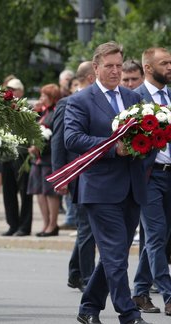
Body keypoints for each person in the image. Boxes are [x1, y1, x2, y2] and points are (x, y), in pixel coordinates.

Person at [64, 41, 149, 324]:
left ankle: (88, 307)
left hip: (133, 187)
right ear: (96, 68)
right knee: (115, 255)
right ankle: (129, 313)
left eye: (119, 66)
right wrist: (114, 147)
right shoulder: (80, 100)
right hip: (100, 190)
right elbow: (72, 139)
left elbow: (145, 135)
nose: (115, 71)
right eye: (109, 66)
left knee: (116, 254)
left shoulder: (133, 98)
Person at [131, 47, 171, 316]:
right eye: (164, 63)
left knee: (162, 236)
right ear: (148, 68)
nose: (170, 67)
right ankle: (169, 295)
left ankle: (140, 291)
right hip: (149, 176)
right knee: (156, 234)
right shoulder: (134, 98)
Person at [52, 61, 97, 292]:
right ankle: (88, 278)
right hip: (77, 174)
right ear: (91, 77)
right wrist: (60, 176)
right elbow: (58, 141)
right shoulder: (67, 103)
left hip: (99, 174)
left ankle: (75, 272)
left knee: (87, 228)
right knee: (87, 227)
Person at [0, 78, 33, 236]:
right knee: (8, 192)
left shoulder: (27, 108)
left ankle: (24, 226)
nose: (9, 92)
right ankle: (12, 224)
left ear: (20, 92)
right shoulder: (3, 108)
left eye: (13, 90)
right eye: (8, 90)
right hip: (6, 155)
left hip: (21, 154)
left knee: (24, 192)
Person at [28, 83, 62, 237]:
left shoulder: (55, 113)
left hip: (48, 158)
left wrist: (41, 147)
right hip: (37, 160)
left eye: (44, 96)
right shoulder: (41, 112)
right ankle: (45, 223)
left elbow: (56, 137)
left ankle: (53, 225)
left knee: (50, 193)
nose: (41, 98)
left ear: (52, 98)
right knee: (39, 192)